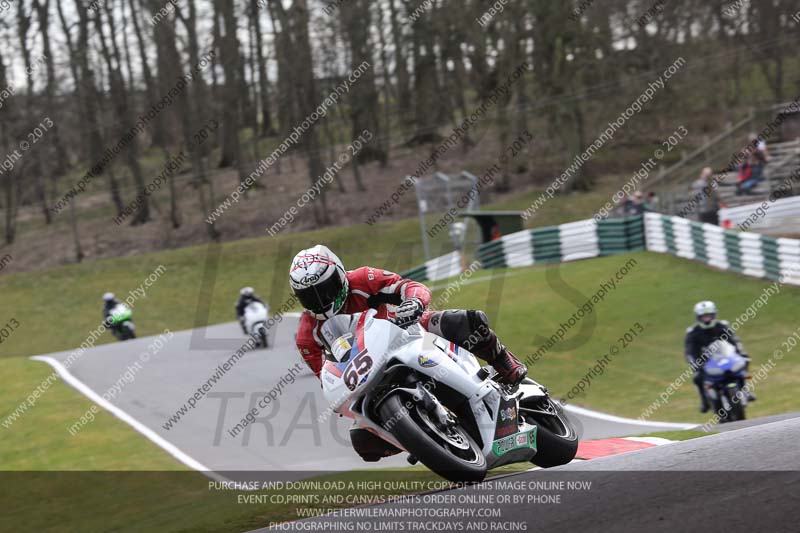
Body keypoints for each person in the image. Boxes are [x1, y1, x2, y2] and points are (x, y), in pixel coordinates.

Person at [290, 245, 528, 461]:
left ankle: (504, 362)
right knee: (364, 443)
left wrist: (413, 303)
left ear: (340, 275)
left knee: (464, 321)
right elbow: (325, 377)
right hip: (366, 376)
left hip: (406, 332)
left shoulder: (363, 278)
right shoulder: (306, 335)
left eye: (325, 289)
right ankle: (421, 438)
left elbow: (409, 286)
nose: (321, 301)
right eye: (309, 296)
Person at [684, 301, 754, 413]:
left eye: (709, 315)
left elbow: (734, 341)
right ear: (698, 317)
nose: (706, 319)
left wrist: (741, 353)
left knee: (745, 361)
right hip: (705, 361)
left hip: (723, 357)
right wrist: (694, 363)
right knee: (697, 378)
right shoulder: (693, 332)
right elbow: (689, 351)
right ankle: (704, 401)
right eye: (703, 317)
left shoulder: (722, 325)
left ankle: (746, 390)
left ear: (714, 314)